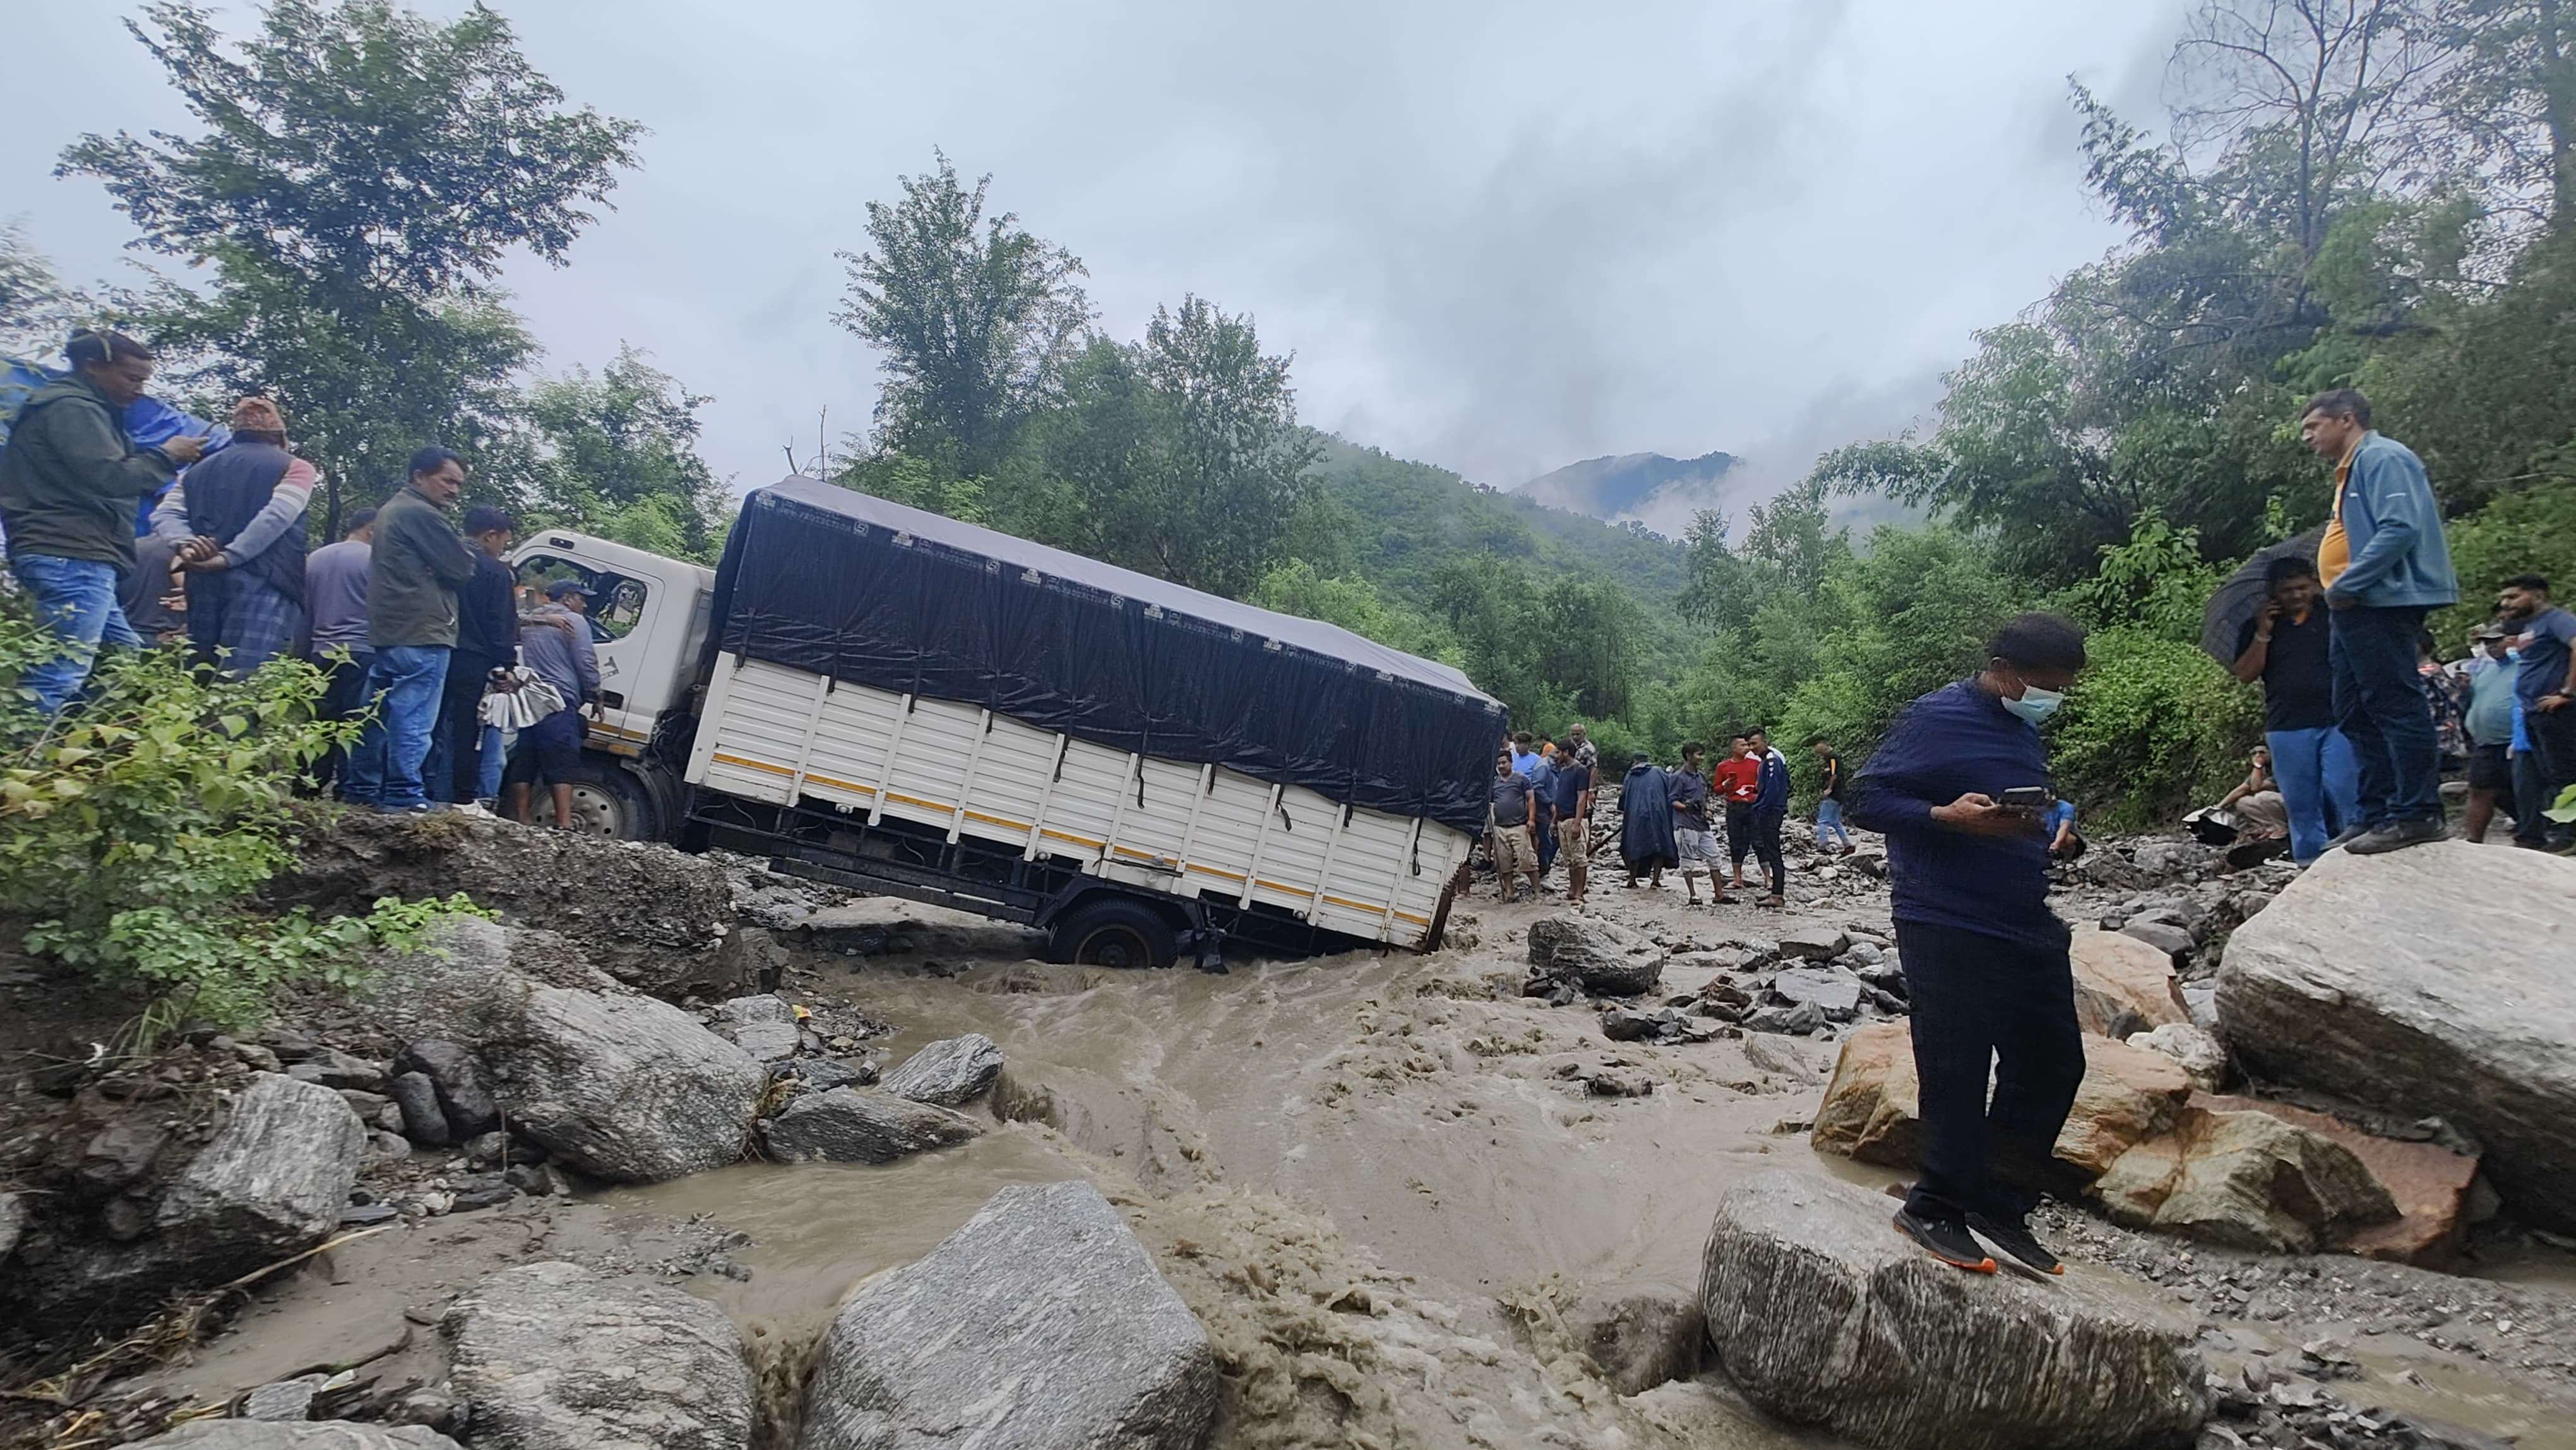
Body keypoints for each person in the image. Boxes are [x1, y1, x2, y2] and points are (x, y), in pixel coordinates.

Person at [1847, 612, 2092, 1279]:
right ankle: (1934, 1204)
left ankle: (2000, 1203)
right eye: (2046, 686)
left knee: (2053, 1062)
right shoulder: (1936, 716)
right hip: (1946, 915)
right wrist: (1942, 817)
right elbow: (1864, 798)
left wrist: (2059, 824)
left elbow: (2025, 808)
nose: (2054, 699)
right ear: (2006, 672)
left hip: (2022, 915)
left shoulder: (2020, 727)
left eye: (2064, 689)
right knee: (1957, 1062)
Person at [0, 329, 204, 714]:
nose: (139, 390)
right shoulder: (73, 408)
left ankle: (71, 752)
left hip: (77, 552)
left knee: (124, 661)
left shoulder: (79, 408)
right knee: (61, 670)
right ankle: (25, 757)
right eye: (132, 378)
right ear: (93, 367)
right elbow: (111, 476)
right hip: (70, 552)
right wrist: (166, 456)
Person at [2299, 388, 2458, 853]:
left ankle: (2418, 812)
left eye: (2314, 426)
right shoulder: (2351, 469)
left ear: (2346, 419)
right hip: (2355, 607)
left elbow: (2399, 528)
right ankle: (2376, 812)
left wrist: (2347, 585)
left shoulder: (2384, 457)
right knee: (2352, 707)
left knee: (2394, 703)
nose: (2307, 437)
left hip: (2381, 601)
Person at [344, 447, 479, 813]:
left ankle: (362, 788)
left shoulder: (390, 511)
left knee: (376, 714)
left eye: (458, 484)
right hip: (424, 629)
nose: (454, 490)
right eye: (447, 480)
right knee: (413, 715)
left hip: (389, 629)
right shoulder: (423, 515)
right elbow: (464, 568)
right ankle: (404, 794)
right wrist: (448, 564)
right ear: (419, 476)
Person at [150, 397, 315, 676]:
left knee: (199, 672)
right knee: (244, 678)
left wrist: (187, 545)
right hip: (266, 581)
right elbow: (276, 516)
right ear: (280, 437)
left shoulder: (196, 472)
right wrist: (229, 557)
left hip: (201, 581)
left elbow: (163, 515)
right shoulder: (296, 467)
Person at [2231, 555, 2361, 862]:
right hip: (2287, 726)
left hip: (2338, 719)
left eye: (2302, 587)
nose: (2296, 595)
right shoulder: (2257, 626)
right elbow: (2245, 674)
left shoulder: (2333, 616)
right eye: (2288, 590)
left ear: (2315, 584)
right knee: (2301, 804)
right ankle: (2311, 864)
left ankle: (2354, 860)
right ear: (2274, 592)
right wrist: (2264, 631)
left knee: (2346, 791)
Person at [424, 505, 518, 805]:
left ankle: (416, 789)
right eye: (504, 542)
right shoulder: (495, 571)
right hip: (474, 661)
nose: (503, 549)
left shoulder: (440, 561)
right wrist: (506, 667)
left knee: (426, 722)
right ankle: (463, 797)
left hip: (434, 648)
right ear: (491, 536)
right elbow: (500, 622)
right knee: (467, 732)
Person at [506, 578, 601, 830]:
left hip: (529, 698)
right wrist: (595, 691)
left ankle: (522, 818)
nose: (584, 605)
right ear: (567, 599)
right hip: (558, 699)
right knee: (562, 758)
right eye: (581, 599)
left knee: (526, 757)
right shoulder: (574, 622)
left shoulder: (529, 623)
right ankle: (564, 822)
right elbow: (585, 660)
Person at [302, 508, 377, 797]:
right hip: (363, 649)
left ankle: (308, 783)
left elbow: (306, 609)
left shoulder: (316, 558)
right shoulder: (375, 561)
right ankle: (347, 788)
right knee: (357, 723)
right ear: (371, 530)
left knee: (319, 720)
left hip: (321, 650)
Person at [2499, 574, 2576, 848]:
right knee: (2549, 775)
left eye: (2513, 596)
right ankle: (2558, 830)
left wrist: (2567, 693)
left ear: (2539, 595)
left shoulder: (2557, 619)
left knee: (2565, 773)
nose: (2506, 603)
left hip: (2557, 710)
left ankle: (2569, 835)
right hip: (2533, 711)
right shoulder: (2530, 626)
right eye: (2504, 598)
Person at [2461, 623, 2520, 844]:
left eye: (2497, 640)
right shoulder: (2484, 670)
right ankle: (2474, 841)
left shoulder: (2525, 664)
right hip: (2486, 742)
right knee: (2480, 790)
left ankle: (2535, 832)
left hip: (2517, 741)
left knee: (2522, 791)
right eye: (2488, 642)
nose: (2492, 646)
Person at [1667, 743, 1723, 906]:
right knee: (1687, 860)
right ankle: (1693, 895)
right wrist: (1686, 807)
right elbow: (1672, 800)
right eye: (1699, 755)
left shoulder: (1701, 777)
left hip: (1702, 823)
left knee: (1714, 857)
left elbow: (1705, 797)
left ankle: (1719, 894)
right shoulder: (1678, 777)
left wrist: (1707, 810)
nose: (1702, 758)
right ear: (1689, 756)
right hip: (1685, 823)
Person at [1485, 752, 1541, 902]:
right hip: (1499, 827)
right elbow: (1488, 803)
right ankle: (1509, 891)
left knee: (1527, 859)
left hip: (1519, 825)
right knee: (1503, 862)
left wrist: (1531, 819)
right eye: (1499, 764)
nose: (1502, 766)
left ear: (1511, 763)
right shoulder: (1494, 783)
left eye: (1504, 763)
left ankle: (1537, 891)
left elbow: (1531, 800)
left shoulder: (1522, 779)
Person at [1746, 728, 1791, 907]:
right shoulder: (1765, 761)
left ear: (1765, 742)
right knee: (1770, 850)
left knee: (1773, 852)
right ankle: (1775, 892)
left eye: (1754, 743)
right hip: (1769, 809)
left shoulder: (1772, 760)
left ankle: (1778, 895)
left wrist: (1761, 809)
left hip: (1771, 811)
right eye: (1749, 744)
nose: (1751, 748)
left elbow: (1773, 789)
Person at [2215, 745, 2291, 853]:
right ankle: (2272, 828)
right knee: (2242, 802)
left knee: (2263, 796)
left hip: (2294, 805)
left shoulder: (2279, 766)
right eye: (2255, 753)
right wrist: (2218, 807)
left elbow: (2256, 787)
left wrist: (2257, 766)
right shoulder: (2263, 770)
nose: (2258, 756)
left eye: (2262, 752)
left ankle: (2283, 829)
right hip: (2279, 806)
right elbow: (2242, 789)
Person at [1619, 752, 1678, 887]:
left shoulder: (1631, 774)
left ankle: (1632, 880)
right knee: (1659, 845)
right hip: (1658, 814)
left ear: (1635, 761)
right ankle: (1655, 880)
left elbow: (1623, 795)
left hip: (1635, 816)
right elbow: (1670, 790)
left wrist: (1626, 810)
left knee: (1634, 845)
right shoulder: (1659, 772)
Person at [1714, 734, 1763, 892]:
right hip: (1734, 806)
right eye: (1743, 745)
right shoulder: (1723, 767)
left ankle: (1768, 878)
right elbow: (1716, 790)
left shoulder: (1757, 764)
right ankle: (1737, 878)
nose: (1747, 748)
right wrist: (1725, 785)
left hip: (1753, 807)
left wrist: (1755, 792)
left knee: (1759, 842)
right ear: (1734, 748)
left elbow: (1762, 785)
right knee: (1735, 842)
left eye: (1748, 745)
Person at [1552, 741, 1594, 905]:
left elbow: (1582, 798)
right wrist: (1554, 821)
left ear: (1566, 752)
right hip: (1562, 818)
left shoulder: (1580, 771)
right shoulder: (1564, 772)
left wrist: (1578, 822)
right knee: (1569, 858)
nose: (1556, 756)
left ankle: (1579, 893)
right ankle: (1572, 889)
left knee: (1579, 857)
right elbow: (1559, 798)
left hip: (1573, 819)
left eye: (1558, 753)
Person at [1808, 735, 1854, 854]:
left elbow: (1834, 775)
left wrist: (1829, 789)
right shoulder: (1830, 759)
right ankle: (1847, 845)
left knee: (1822, 821)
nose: (1815, 749)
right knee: (1835, 822)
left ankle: (1822, 845)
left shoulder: (1833, 758)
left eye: (1816, 746)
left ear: (1824, 744)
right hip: (1840, 794)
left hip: (1833, 794)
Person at [1528, 742, 1561, 877]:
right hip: (1543, 812)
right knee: (1546, 841)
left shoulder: (1556, 767)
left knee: (1553, 841)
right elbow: (1537, 788)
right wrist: (1549, 804)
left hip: (1553, 811)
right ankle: (1543, 870)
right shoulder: (1543, 767)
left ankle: (1545, 869)